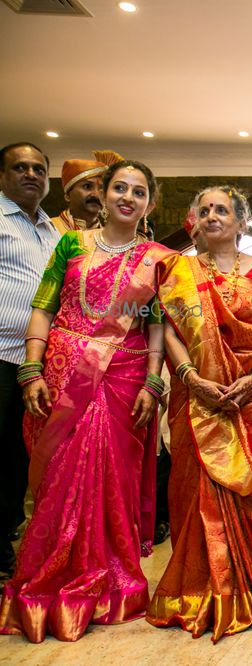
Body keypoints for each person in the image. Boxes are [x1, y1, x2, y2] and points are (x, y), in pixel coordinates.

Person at [0, 159, 173, 642]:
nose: (128, 198)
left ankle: (108, 580)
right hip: (62, 371)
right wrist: (31, 368)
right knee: (56, 479)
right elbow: (44, 306)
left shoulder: (159, 258)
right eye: (121, 188)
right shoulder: (70, 244)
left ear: (150, 203)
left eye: (139, 192)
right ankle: (43, 580)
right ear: (104, 192)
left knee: (111, 477)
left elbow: (154, 322)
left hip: (125, 373)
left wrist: (152, 380)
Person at [146, 186, 252, 641]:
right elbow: (167, 329)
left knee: (250, 493)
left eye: (221, 210)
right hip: (197, 395)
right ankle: (195, 591)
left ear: (241, 223)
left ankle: (246, 585)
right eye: (203, 210)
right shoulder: (176, 268)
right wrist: (191, 379)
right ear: (193, 220)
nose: (211, 216)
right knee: (195, 491)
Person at [0, 143, 60, 580]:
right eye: (20, 167)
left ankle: (4, 542)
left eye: (39, 168)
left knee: (19, 457)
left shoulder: (51, 231)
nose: (31, 174)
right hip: (1, 354)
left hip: (38, 363)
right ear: (2, 176)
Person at [51, 150, 124, 235]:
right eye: (87, 186)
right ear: (67, 195)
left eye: (102, 189)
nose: (96, 195)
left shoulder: (110, 236)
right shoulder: (48, 229)